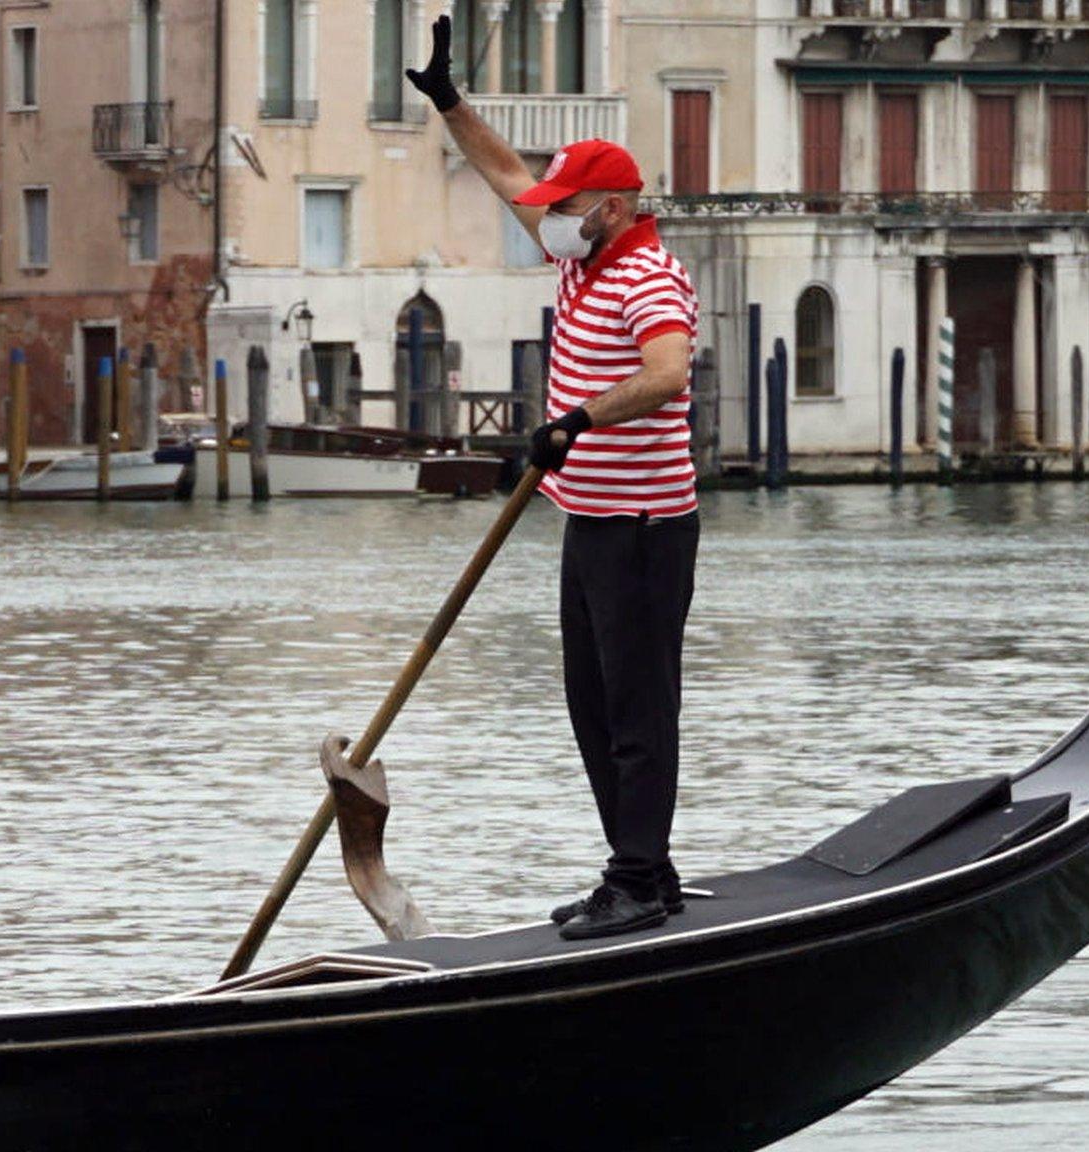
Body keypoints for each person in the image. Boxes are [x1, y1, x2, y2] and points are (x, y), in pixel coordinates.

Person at [407, 17, 701, 940]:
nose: (552, 215)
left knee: (636, 707)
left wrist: (574, 418)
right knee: (589, 703)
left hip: (647, 524)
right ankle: (639, 864)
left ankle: (641, 879)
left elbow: (667, 373)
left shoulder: (646, 273)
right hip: (591, 518)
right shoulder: (584, 255)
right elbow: (503, 172)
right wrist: (450, 103)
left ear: (611, 206)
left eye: (570, 204)